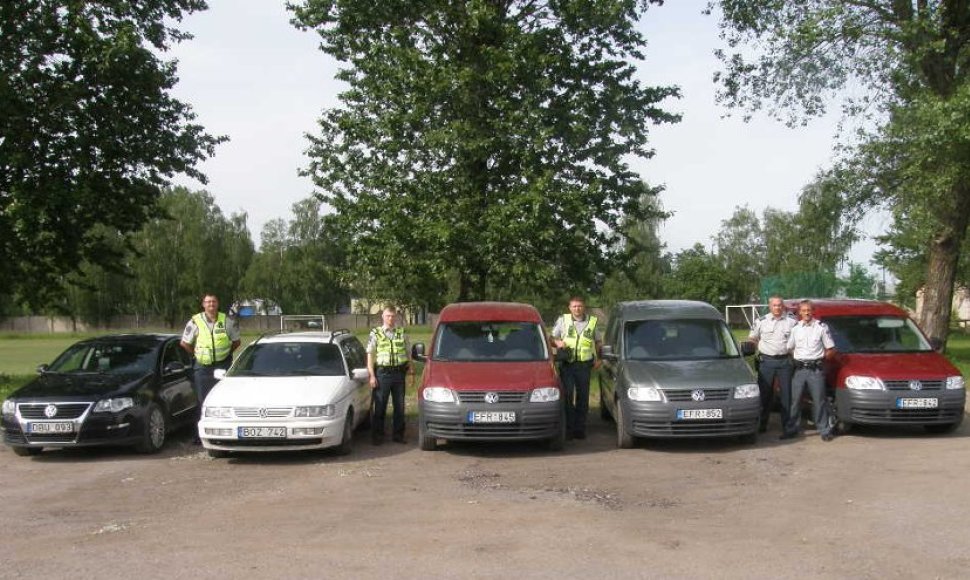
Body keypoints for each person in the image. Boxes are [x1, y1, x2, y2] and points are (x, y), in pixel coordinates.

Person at [785, 299, 836, 441]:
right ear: (799, 312)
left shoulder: (821, 327)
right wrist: (798, 359)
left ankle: (824, 430)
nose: (806, 313)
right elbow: (790, 348)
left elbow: (830, 349)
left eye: (809, 310)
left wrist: (821, 362)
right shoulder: (795, 329)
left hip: (815, 370)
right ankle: (792, 429)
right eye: (803, 310)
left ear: (812, 311)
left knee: (819, 401)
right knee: (795, 401)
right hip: (800, 370)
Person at [551, 296, 602, 440]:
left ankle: (580, 429)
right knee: (567, 396)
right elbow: (551, 338)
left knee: (583, 398)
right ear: (569, 307)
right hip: (567, 364)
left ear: (584, 307)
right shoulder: (563, 320)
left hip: (584, 366)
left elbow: (598, 342)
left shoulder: (592, 322)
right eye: (574, 306)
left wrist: (600, 358)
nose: (577, 309)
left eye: (579, 306)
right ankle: (569, 429)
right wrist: (558, 343)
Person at [180, 293, 241, 405]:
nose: (211, 304)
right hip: (203, 368)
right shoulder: (195, 321)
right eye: (208, 302)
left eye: (214, 301)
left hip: (223, 365)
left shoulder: (227, 321)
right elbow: (184, 343)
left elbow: (237, 342)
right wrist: (195, 354)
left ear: (218, 304)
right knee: (203, 400)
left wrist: (228, 353)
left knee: (225, 398)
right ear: (203, 304)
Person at [748, 296, 797, 433]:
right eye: (775, 305)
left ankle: (787, 426)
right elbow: (752, 338)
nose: (777, 308)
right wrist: (761, 347)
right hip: (767, 362)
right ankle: (762, 424)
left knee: (787, 395)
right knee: (765, 394)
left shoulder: (792, 321)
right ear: (770, 306)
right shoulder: (761, 321)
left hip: (785, 361)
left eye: (780, 305)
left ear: (783, 306)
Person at [367, 305, 413, 445]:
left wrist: (411, 372)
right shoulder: (375, 333)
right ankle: (378, 436)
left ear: (396, 317)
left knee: (399, 406)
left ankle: (398, 435)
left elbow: (408, 353)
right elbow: (370, 355)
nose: (390, 318)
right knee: (380, 406)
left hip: (399, 374)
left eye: (393, 316)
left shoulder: (402, 332)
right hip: (383, 374)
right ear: (383, 316)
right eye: (388, 316)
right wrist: (372, 376)